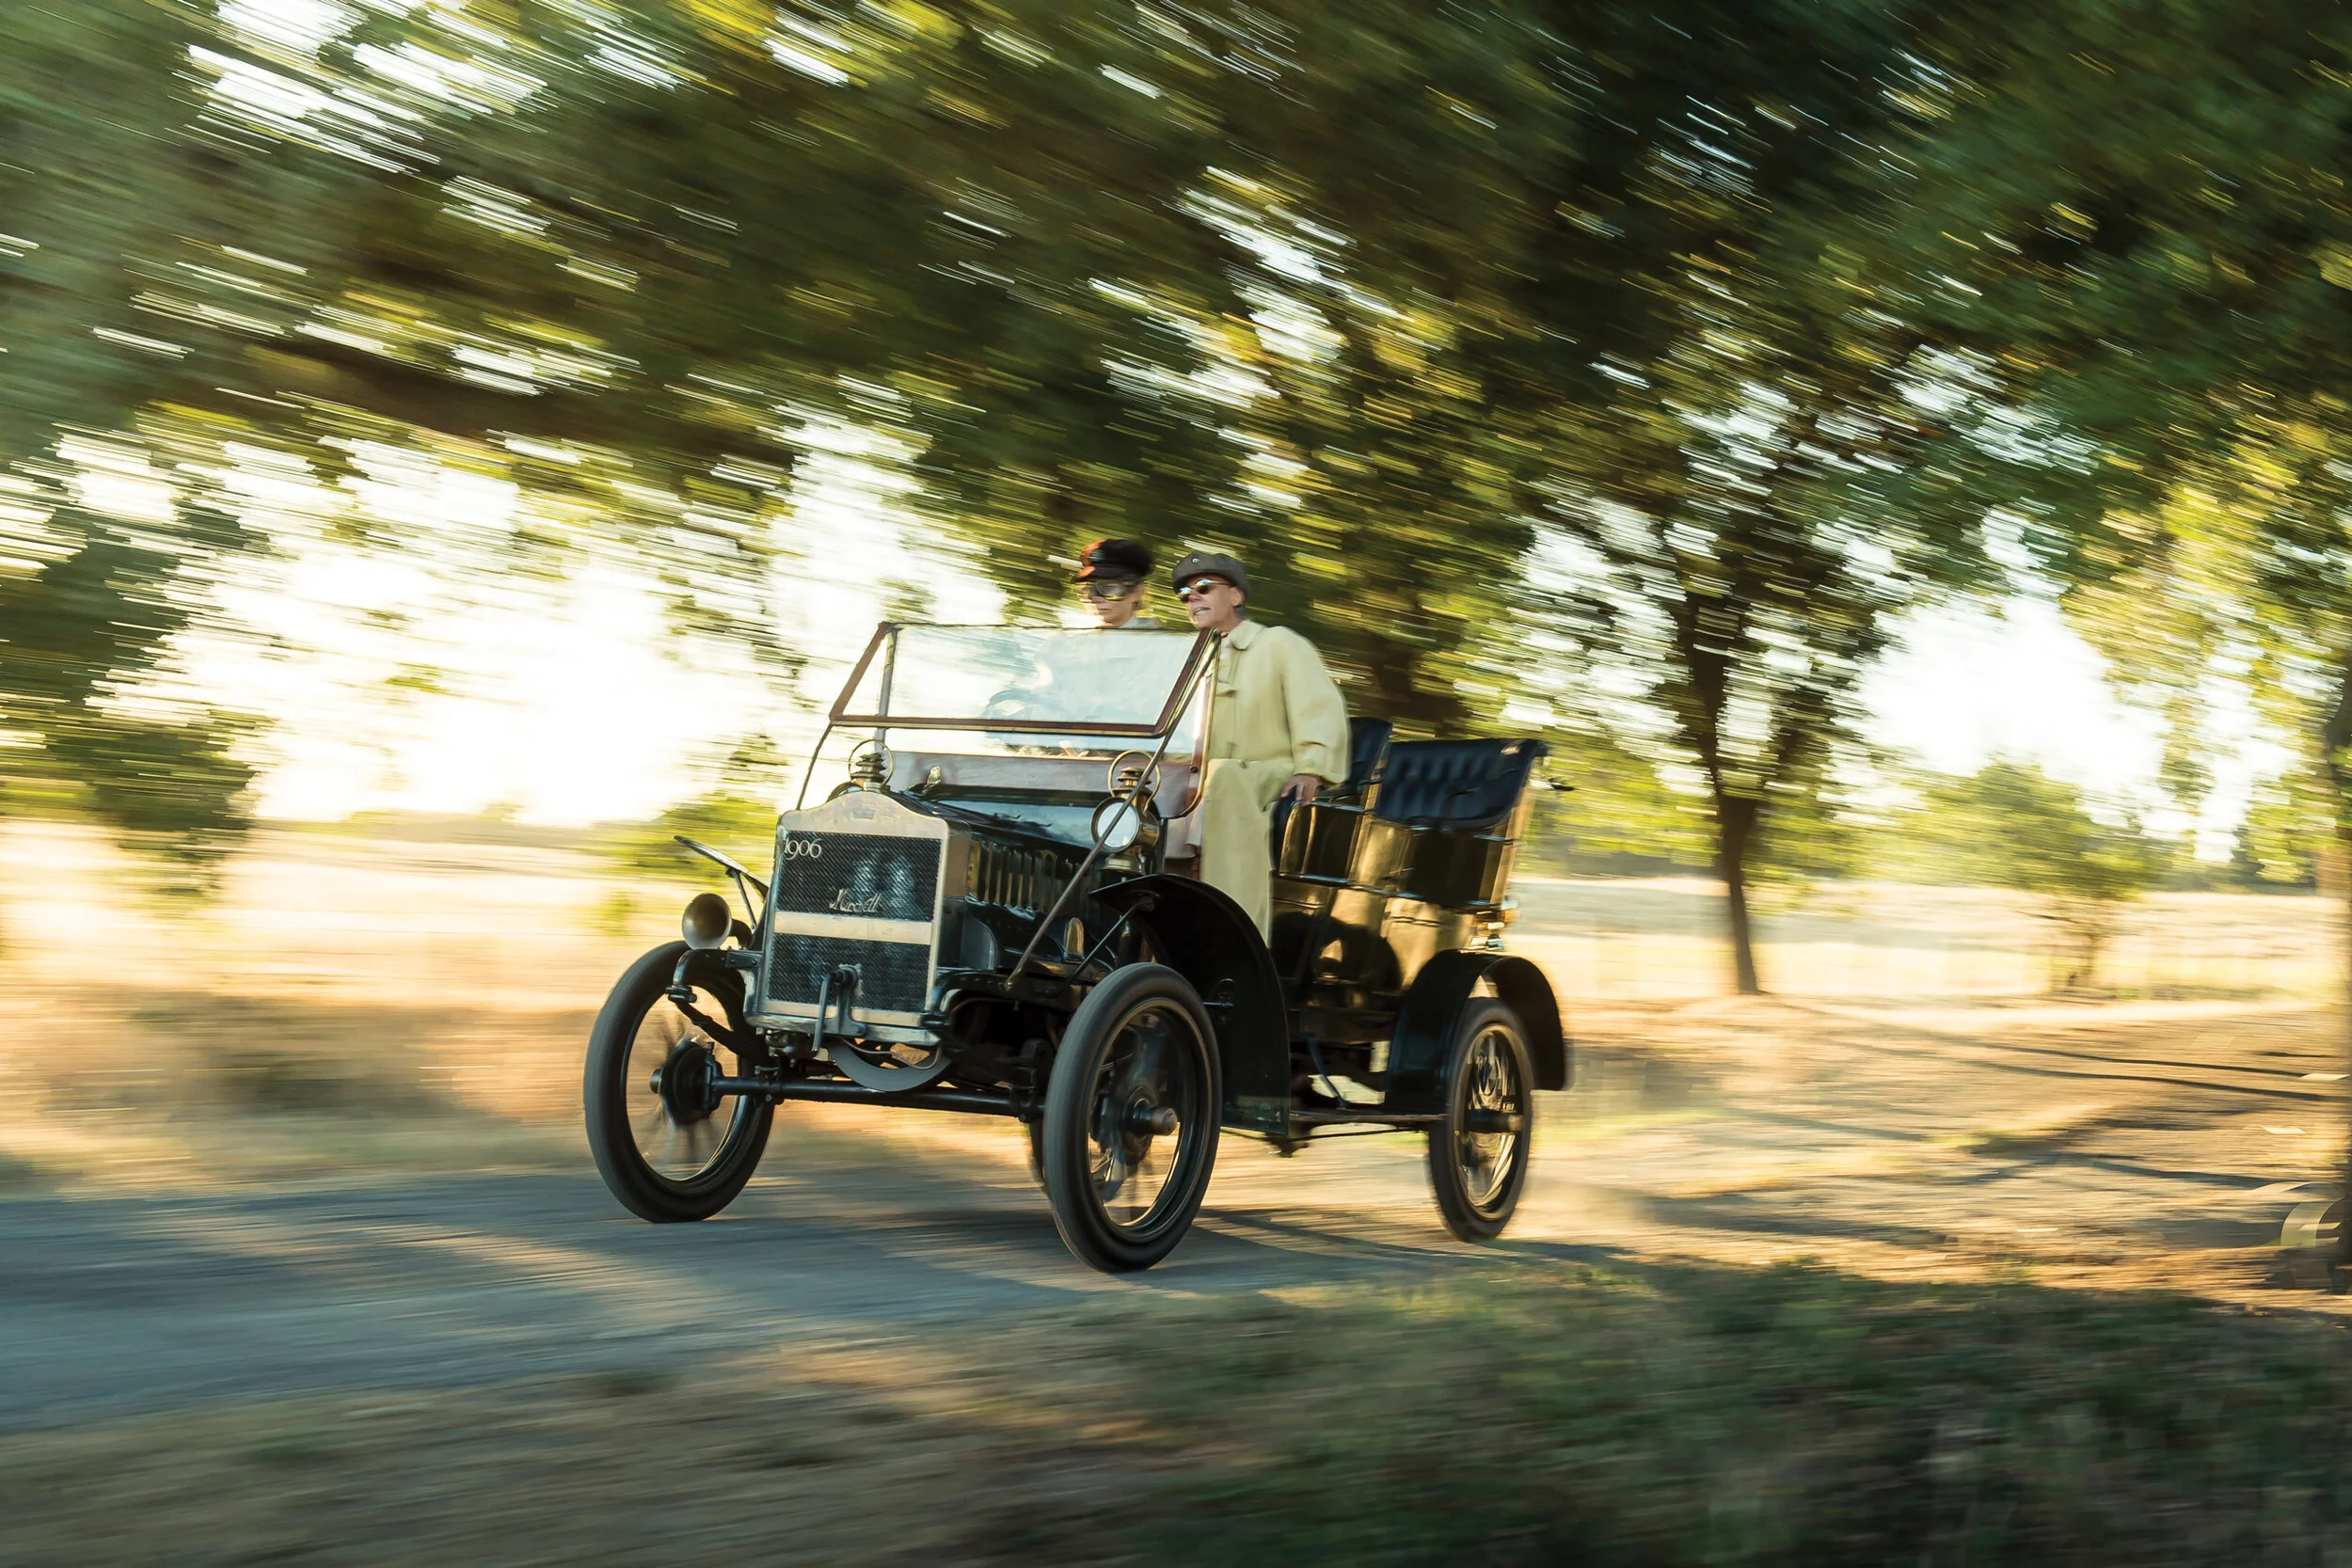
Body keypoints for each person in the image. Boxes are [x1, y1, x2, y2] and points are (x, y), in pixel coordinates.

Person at [1170, 549, 1349, 937]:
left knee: (1222, 778)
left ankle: (1230, 932)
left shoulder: (1279, 643)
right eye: (1184, 593)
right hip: (1199, 776)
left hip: (1271, 774)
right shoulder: (1185, 658)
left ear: (1236, 596)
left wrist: (1312, 768)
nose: (1192, 597)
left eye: (1203, 587)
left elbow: (1319, 707)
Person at [1072, 537, 1156, 629]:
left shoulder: (1159, 638)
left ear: (1136, 592)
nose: (1094, 598)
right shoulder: (1075, 637)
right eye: (1087, 589)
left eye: (1109, 588)